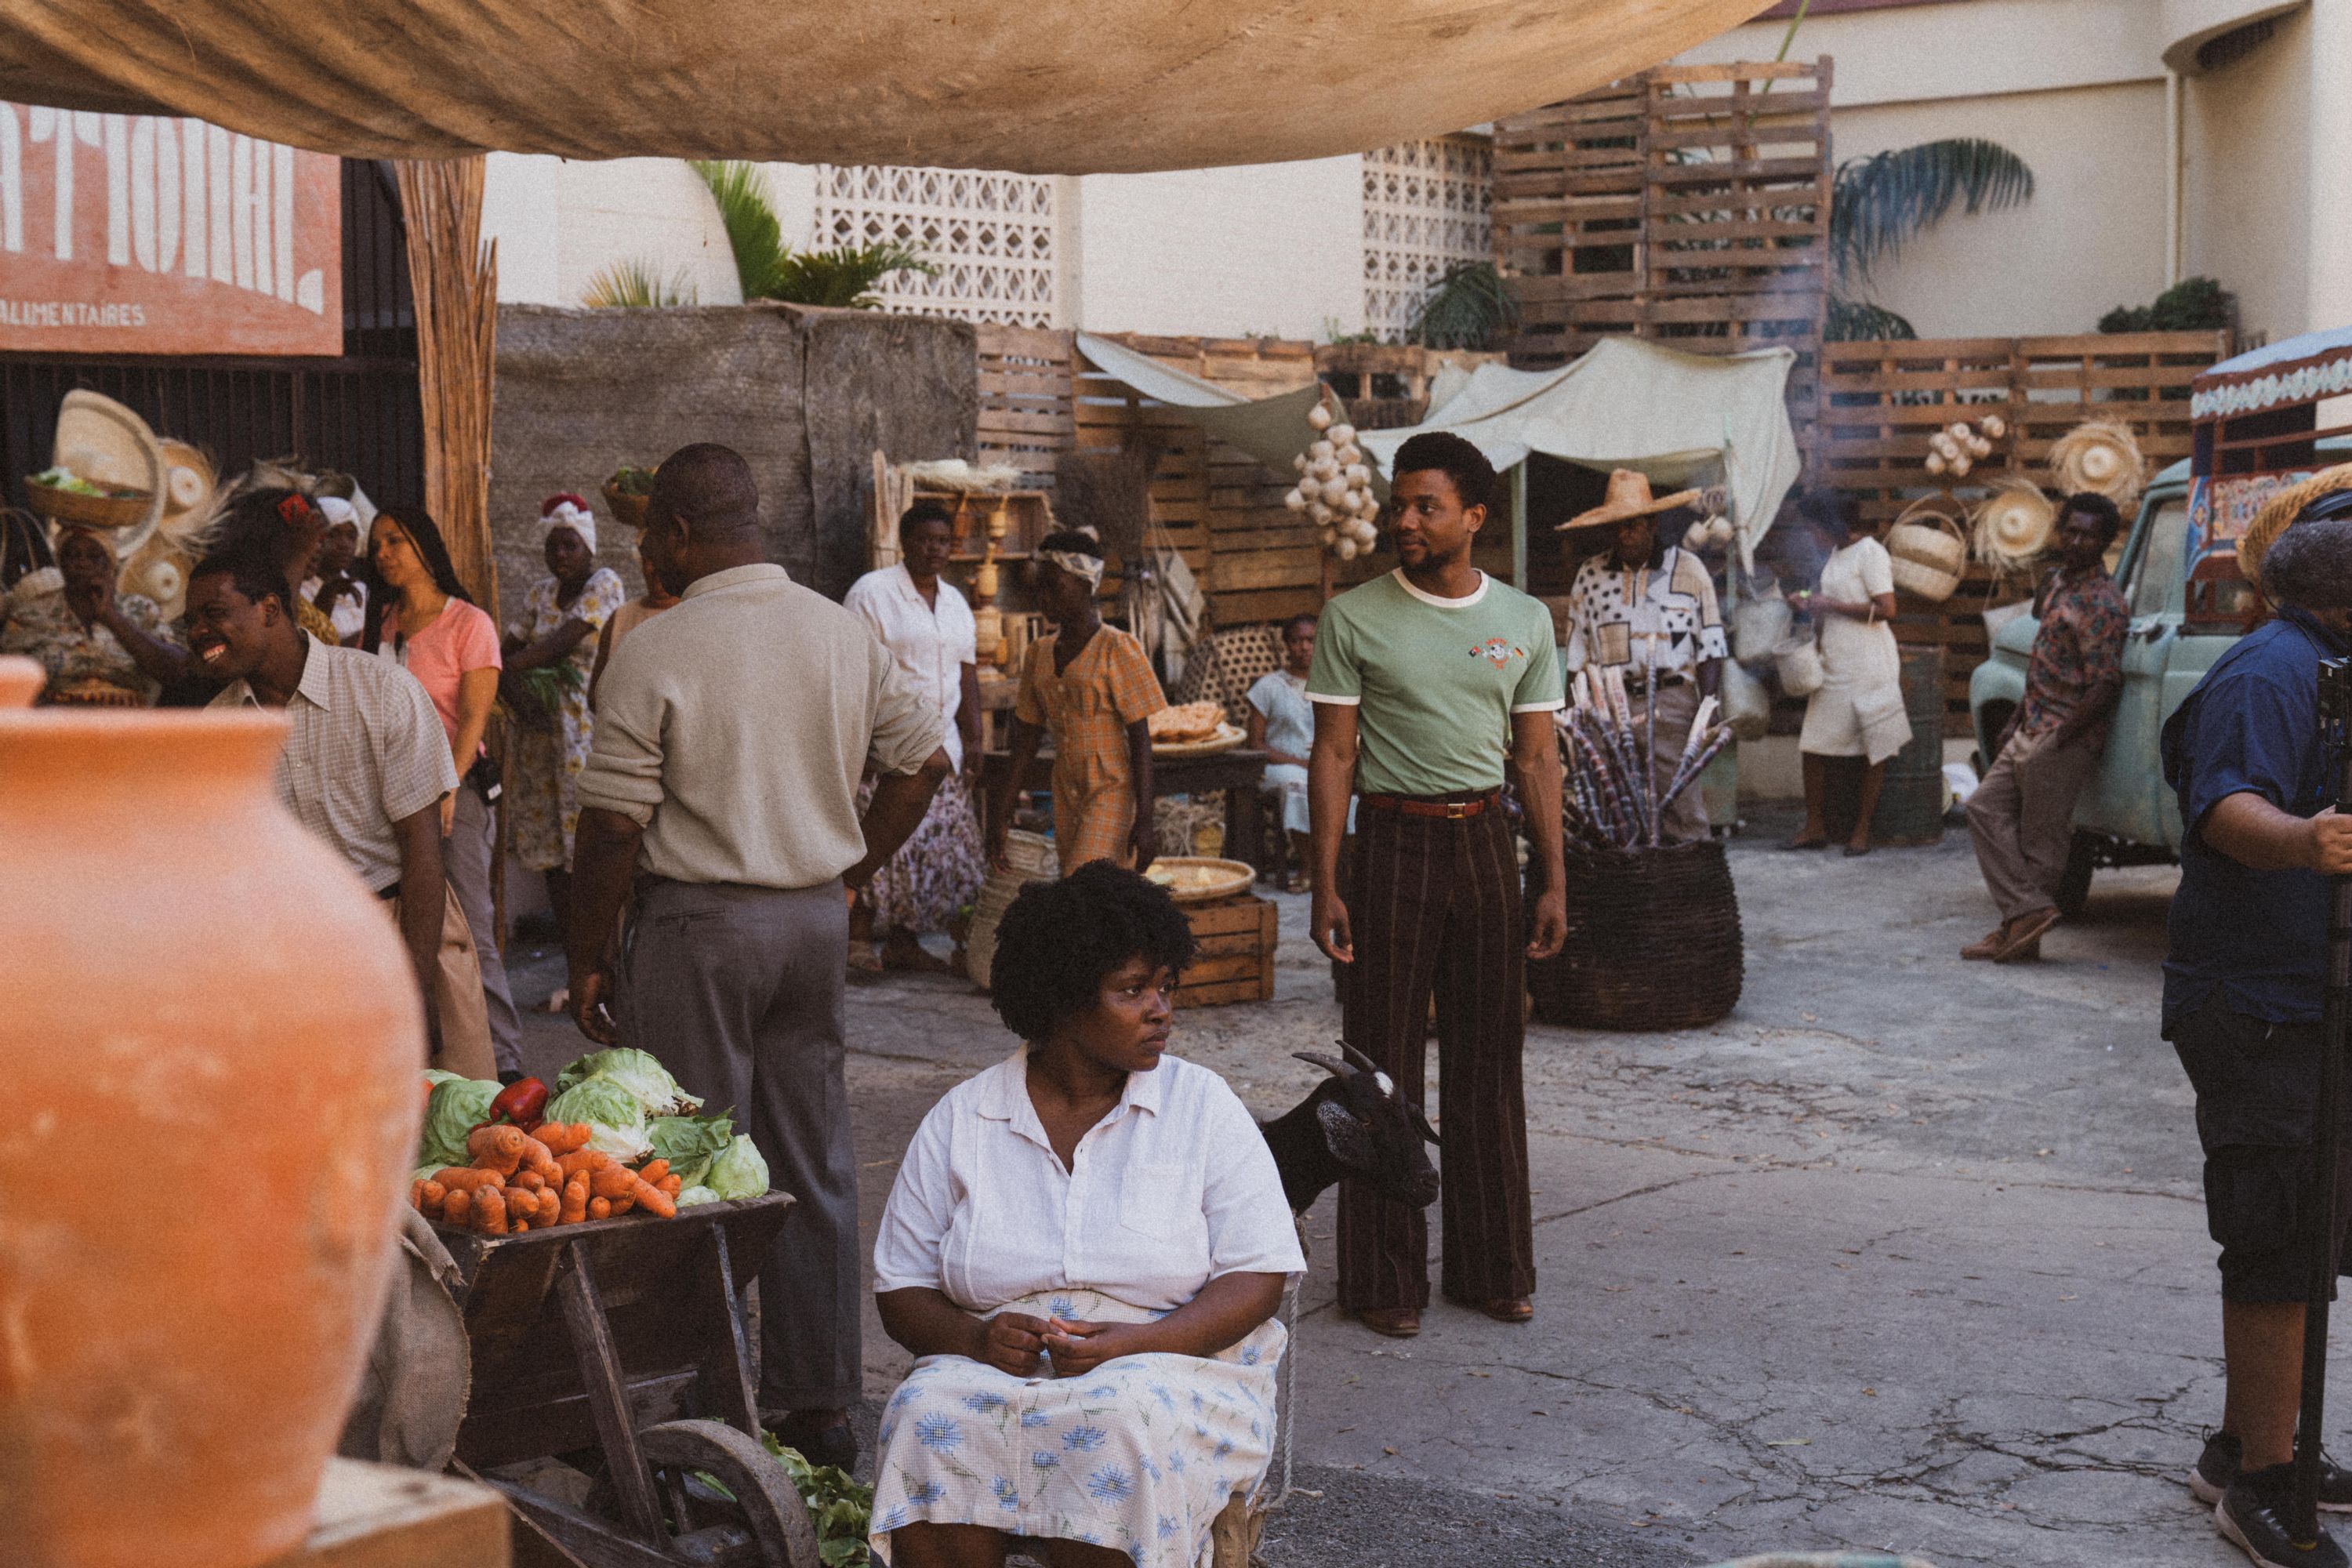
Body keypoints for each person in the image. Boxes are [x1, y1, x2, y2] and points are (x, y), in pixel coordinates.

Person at [565, 443, 949, 1472]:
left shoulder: (655, 645)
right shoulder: (842, 632)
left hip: (698, 930)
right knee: (812, 1162)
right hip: (812, 928)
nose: (649, 559)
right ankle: (819, 1409)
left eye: (653, 540)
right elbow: (927, 763)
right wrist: (852, 874)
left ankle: (700, 1404)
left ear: (679, 536)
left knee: (686, 1165)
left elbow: (609, 830)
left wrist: (588, 956)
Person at [869, 862, 1304, 1568]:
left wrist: (1140, 1343)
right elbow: (900, 1288)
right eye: (1132, 990)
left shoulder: (1202, 1107)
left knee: (1114, 1427)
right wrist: (974, 1341)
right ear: (1062, 999)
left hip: (1174, 1362)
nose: (1160, 1008)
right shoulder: (966, 1117)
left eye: (1166, 986)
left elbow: (1257, 1278)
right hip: (994, 1366)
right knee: (928, 1415)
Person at [1306, 430, 1566, 1338]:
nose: (1405, 519)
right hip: (1388, 845)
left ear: (1474, 518)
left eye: (1427, 506)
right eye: (1400, 502)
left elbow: (1537, 760)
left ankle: (1494, 1268)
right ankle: (1382, 1279)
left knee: (1489, 1062)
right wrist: (1324, 878)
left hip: (1487, 844)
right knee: (1378, 1068)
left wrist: (1553, 879)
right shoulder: (1354, 617)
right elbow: (1334, 750)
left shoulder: (1525, 621)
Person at [2161, 486, 2352, 1568]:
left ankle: (2253, 1442)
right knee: (2276, 1237)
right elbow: (2229, 809)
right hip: (2254, 1001)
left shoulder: (2328, 664)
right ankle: (2264, 1487)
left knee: (2307, 1227)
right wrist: (2304, 841)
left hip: (2309, 996)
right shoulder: (2268, 671)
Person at [187, 543, 495, 1078]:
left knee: (453, 1132)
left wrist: (415, 987)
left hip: (409, 931)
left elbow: (423, 855)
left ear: (269, 609)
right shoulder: (219, 733)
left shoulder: (382, 691)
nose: (197, 634)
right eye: (189, 622)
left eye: (214, 614)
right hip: (302, 954)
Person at [363, 506, 523, 1080]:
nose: (382, 553)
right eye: (376, 544)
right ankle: (434, 1060)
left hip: (455, 791)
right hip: (392, 798)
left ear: (425, 547)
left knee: (471, 930)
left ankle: (504, 1065)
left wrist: (448, 789)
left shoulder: (467, 623)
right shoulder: (381, 625)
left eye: (395, 541)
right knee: (408, 924)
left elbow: (475, 721)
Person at [1962, 492, 2128, 962]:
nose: (2076, 541)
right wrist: (2016, 718)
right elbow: (2043, 660)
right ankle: (2026, 914)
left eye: (2089, 535)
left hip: (2065, 736)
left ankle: (2019, 935)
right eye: (2071, 530)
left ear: (2105, 541)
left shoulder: (2104, 603)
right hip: (2031, 724)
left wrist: (2058, 740)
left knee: (2041, 840)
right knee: (1982, 809)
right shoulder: (2055, 583)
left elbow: (2104, 687)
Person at [844, 501, 985, 974]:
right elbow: (854, 671)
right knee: (879, 839)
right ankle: (858, 940)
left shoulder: (957, 603)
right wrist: (860, 742)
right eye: (925, 540)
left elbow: (967, 675)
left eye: (943, 541)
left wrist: (976, 738)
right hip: (886, 745)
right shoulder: (872, 594)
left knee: (927, 850)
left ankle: (903, 942)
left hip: (943, 746)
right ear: (905, 543)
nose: (935, 549)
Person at [1557, 469, 1726, 842]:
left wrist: (1708, 709)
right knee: (1610, 808)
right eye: (1616, 526)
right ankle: (1624, 892)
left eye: (1633, 525)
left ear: (1652, 523)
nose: (1625, 534)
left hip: (1672, 701)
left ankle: (1687, 889)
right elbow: (1576, 654)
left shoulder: (1689, 569)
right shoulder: (1591, 574)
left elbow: (1712, 645)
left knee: (1680, 806)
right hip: (1607, 708)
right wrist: (1572, 721)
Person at [989, 529, 1164, 878]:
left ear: (1088, 586)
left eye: (1056, 587)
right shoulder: (1038, 654)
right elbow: (1026, 738)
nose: (1045, 598)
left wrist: (1145, 819)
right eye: (1041, 588)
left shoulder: (1118, 648)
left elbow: (1141, 738)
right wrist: (1004, 808)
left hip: (1111, 788)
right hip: (1066, 788)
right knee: (1091, 892)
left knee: (1081, 880)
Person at [504, 493, 626, 982]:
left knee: (589, 845)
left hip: (582, 733)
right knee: (551, 850)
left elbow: (557, 646)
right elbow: (506, 645)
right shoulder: (538, 595)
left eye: (570, 547)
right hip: (539, 735)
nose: (560, 556)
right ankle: (578, 962)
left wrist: (499, 670)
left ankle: (607, 960)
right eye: (553, 547)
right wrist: (511, 685)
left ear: (588, 548)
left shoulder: (605, 585)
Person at [1785, 491, 1904, 857]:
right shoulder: (1835, 556)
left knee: (1874, 744)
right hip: (1835, 660)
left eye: (1814, 529)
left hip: (1870, 662)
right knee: (1814, 743)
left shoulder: (1871, 553)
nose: (1811, 536)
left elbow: (1887, 609)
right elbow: (1830, 607)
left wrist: (1830, 604)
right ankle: (1815, 826)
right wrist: (1808, 605)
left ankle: (1862, 830)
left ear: (1833, 525)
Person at [0, 523, 187, 705]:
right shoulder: (30, 615)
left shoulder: (141, 610)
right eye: (73, 555)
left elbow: (176, 672)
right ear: (61, 562)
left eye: (93, 556)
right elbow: (9, 684)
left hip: (126, 728)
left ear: (109, 564)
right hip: (52, 727)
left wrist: (111, 617)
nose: (82, 562)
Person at [1244, 614, 1319, 890]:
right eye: (1297, 641)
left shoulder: (1332, 684)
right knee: (1298, 784)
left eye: (1311, 640)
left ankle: (1335, 870)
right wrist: (1300, 762)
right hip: (1278, 767)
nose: (1304, 647)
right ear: (1286, 645)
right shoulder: (1269, 687)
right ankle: (1309, 869)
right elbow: (1256, 744)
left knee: (1346, 789)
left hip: (1322, 764)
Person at [587, 528, 681, 707]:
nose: (657, 569)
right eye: (650, 560)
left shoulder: (693, 615)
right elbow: (594, 697)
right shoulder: (621, 617)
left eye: (666, 560)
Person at [301, 495, 371, 644]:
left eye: (351, 537)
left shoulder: (362, 591)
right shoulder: (299, 592)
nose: (344, 545)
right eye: (332, 535)